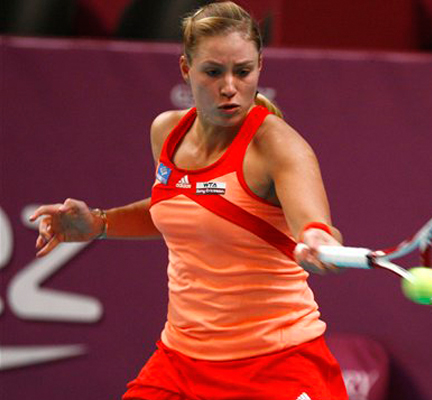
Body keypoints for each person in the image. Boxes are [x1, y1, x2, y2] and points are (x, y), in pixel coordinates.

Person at [29, 2, 349, 400]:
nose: (229, 87)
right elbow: (184, 209)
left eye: (243, 71)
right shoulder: (167, 131)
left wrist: (317, 240)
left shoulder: (279, 146)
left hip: (276, 365)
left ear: (260, 68)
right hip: (179, 363)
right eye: (213, 72)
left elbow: (315, 226)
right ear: (186, 68)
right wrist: (99, 223)